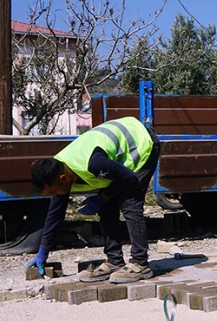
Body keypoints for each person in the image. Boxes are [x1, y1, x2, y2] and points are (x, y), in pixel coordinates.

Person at [27, 116, 161, 284]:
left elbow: (129, 179)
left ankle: (140, 263)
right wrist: (43, 250)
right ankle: (114, 261)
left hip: (141, 145)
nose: (54, 195)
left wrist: (102, 196)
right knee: (106, 206)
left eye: (53, 191)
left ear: (63, 178)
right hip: (115, 160)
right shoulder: (58, 170)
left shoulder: (93, 163)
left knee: (130, 203)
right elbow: (55, 214)